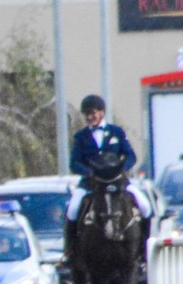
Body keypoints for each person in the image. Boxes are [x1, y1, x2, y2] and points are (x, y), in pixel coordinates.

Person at [64, 94, 152, 258]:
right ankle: (70, 251)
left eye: (93, 113)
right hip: (92, 184)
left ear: (102, 112)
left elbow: (130, 156)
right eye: (87, 114)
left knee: (145, 206)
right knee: (73, 209)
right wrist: (89, 173)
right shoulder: (81, 137)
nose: (90, 117)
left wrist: (121, 170)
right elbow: (74, 163)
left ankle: (144, 248)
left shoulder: (116, 132)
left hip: (118, 182)